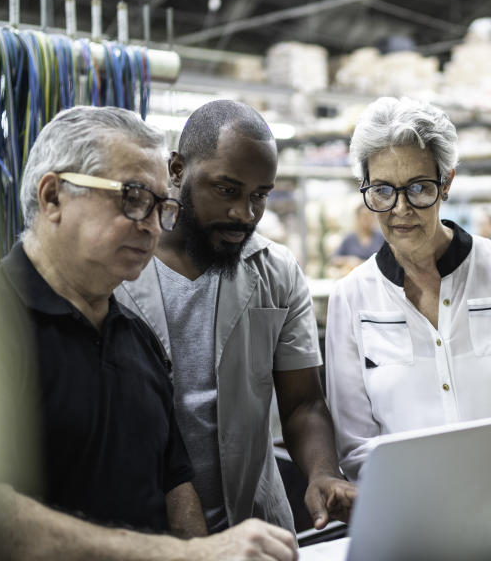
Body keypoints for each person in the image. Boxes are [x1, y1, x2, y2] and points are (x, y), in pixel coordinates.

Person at [0, 106, 297, 560]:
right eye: (133, 198)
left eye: (162, 207)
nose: (152, 226)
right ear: (53, 197)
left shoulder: (138, 341)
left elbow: (177, 496)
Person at [116, 100, 356, 535]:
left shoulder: (277, 271)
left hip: (254, 525)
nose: (244, 214)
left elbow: (303, 402)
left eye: (259, 196)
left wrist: (323, 472)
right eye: (227, 190)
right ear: (177, 169)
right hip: (144, 533)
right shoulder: (118, 267)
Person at [324, 97, 491, 481]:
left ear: (447, 182)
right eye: (383, 191)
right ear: (365, 188)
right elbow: (356, 444)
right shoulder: (351, 297)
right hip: (409, 517)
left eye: (419, 188)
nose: (400, 209)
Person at [329, 204, 385, 275]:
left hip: (377, 277)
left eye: (370, 215)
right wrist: (348, 260)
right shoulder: (349, 239)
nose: (367, 219)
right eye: (364, 216)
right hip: (354, 277)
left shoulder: (381, 238)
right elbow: (333, 259)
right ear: (357, 218)